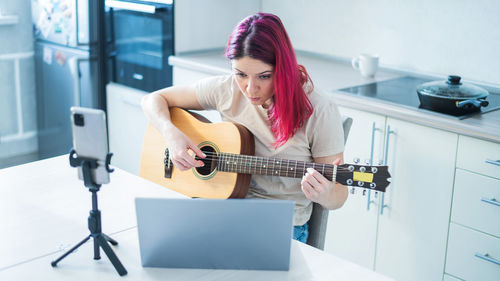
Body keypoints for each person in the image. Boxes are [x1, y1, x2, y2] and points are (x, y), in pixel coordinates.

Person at [141, 13, 347, 243]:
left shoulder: (319, 109)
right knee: (156, 243)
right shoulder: (226, 89)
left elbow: (339, 195)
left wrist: (326, 193)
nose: (250, 88)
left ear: (284, 68)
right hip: (222, 209)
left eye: (264, 76)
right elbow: (152, 100)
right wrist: (171, 134)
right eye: (240, 74)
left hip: (278, 226)